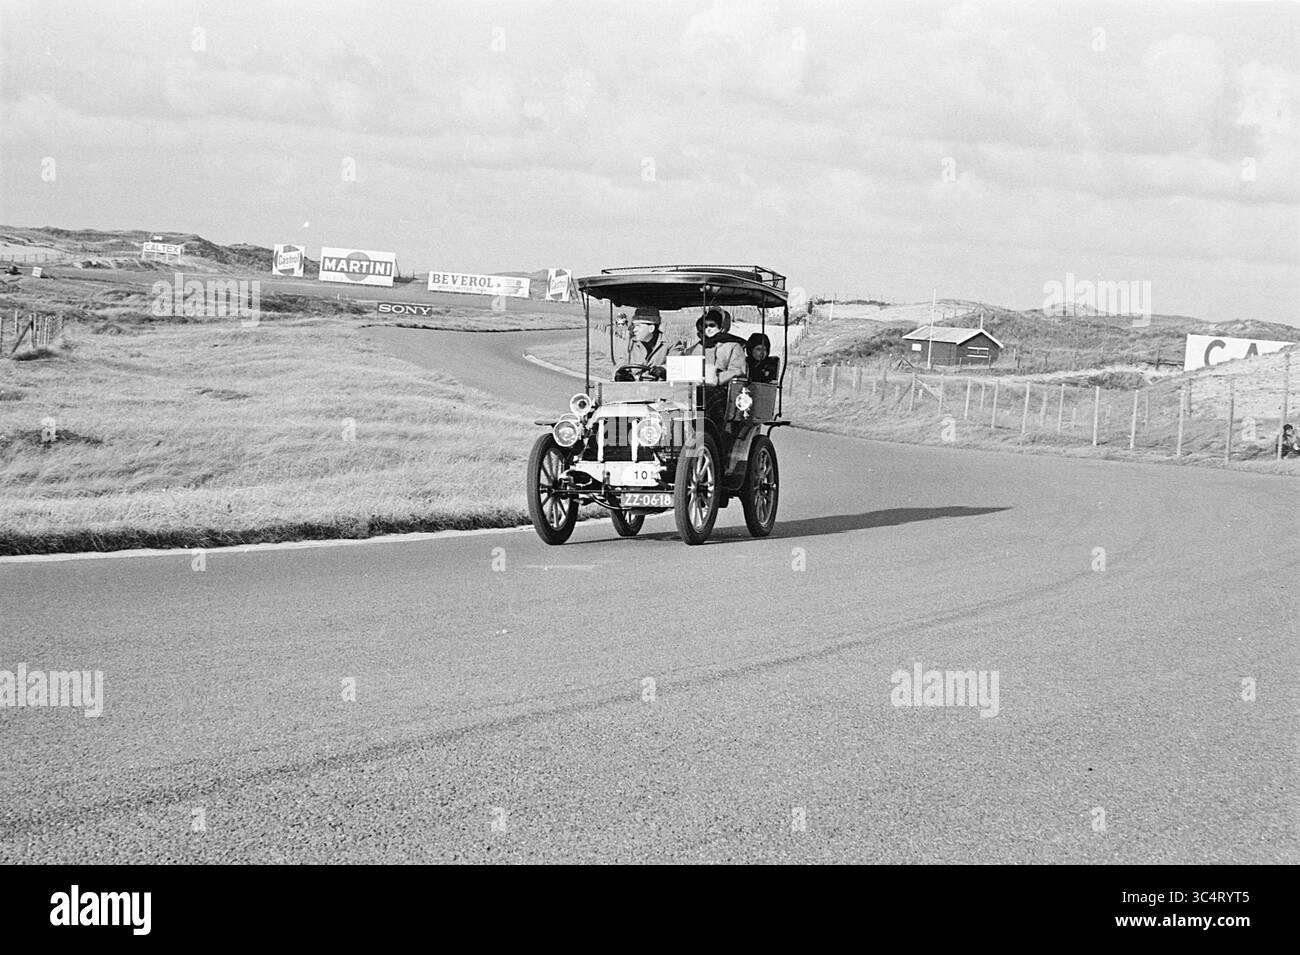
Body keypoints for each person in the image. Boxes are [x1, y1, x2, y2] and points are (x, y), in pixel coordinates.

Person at [616, 305, 670, 380]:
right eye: (634, 326)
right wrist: (621, 374)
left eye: (638, 326)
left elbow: (677, 367)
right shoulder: (630, 345)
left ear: (651, 328)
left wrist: (663, 370)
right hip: (634, 388)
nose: (634, 330)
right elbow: (620, 364)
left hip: (661, 389)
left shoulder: (670, 344)